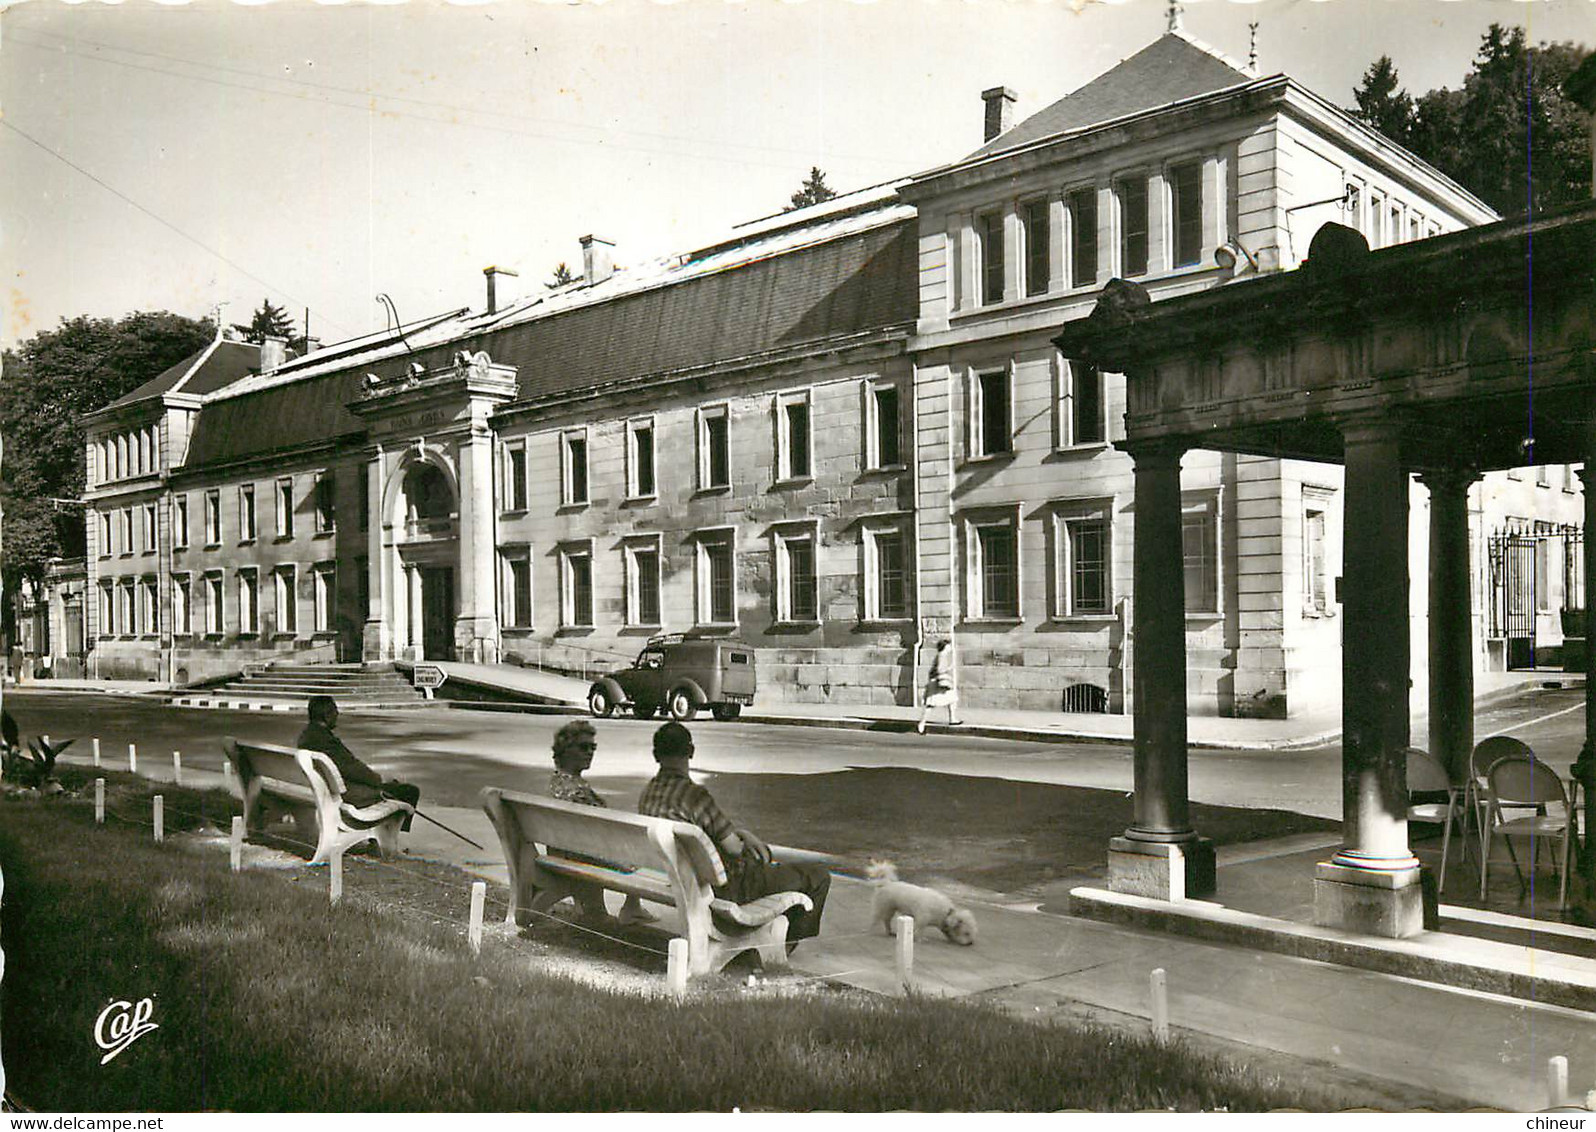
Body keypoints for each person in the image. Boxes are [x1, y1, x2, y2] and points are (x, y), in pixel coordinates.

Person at [638, 721, 829, 949]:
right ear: (691, 751)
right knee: (817, 876)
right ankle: (785, 946)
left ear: (655, 754)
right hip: (727, 888)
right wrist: (748, 838)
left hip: (684, 879)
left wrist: (742, 835)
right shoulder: (694, 796)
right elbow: (734, 848)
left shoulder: (648, 794)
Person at [547, 719, 655, 925]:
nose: (590, 752)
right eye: (583, 747)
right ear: (565, 750)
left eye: (592, 747)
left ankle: (628, 906)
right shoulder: (577, 792)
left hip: (563, 854)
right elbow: (603, 829)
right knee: (642, 853)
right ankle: (628, 907)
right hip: (585, 856)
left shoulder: (557, 783)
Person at [296, 695, 420, 830]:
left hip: (328, 789)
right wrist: (380, 780)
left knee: (395, 787)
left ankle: (386, 838)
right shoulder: (326, 740)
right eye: (335, 711)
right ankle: (391, 839)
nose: (338, 714)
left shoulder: (307, 736)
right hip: (347, 794)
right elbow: (351, 768)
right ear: (327, 715)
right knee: (409, 792)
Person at [916, 638, 962, 734]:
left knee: (952, 699)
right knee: (931, 704)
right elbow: (940, 670)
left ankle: (952, 719)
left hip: (938, 682)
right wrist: (950, 667)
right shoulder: (942, 655)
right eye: (949, 645)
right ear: (945, 647)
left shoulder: (941, 655)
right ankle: (922, 723)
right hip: (938, 683)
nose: (950, 647)